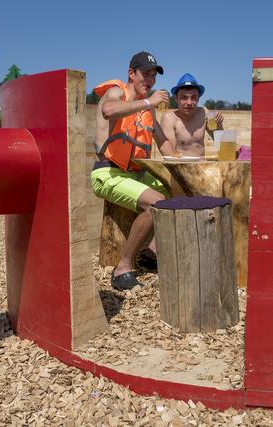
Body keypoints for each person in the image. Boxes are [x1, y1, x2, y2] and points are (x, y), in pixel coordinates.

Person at [91, 51, 177, 290]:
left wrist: (183, 160)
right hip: (107, 173)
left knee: (179, 192)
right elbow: (109, 110)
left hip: (136, 173)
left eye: (153, 75)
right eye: (145, 74)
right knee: (157, 203)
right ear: (131, 73)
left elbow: (163, 142)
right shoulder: (117, 92)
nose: (149, 80)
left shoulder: (146, 108)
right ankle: (123, 268)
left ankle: (150, 255)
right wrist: (150, 101)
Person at [160, 73, 224, 157]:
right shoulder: (169, 118)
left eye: (193, 97)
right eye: (184, 98)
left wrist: (218, 124)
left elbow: (221, 144)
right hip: (178, 166)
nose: (189, 103)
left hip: (201, 167)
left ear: (198, 99)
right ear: (176, 98)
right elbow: (170, 153)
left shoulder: (203, 113)